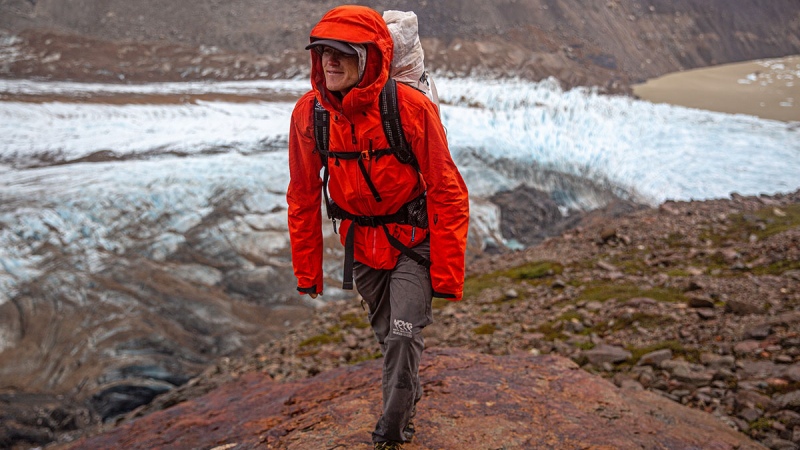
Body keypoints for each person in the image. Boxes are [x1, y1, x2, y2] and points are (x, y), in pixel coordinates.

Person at [287, 5, 469, 449]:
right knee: (389, 337)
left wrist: (446, 274)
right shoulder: (310, 115)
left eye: (342, 52)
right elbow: (303, 194)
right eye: (323, 51)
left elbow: (447, 190)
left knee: (404, 337)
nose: (329, 60)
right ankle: (408, 396)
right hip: (362, 248)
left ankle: (390, 432)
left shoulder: (410, 109)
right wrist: (308, 271)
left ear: (368, 57)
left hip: (412, 243)